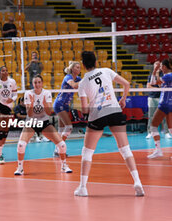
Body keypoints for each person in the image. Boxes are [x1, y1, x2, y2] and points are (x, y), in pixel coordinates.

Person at [74, 51, 144, 197]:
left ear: (83, 65)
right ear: (95, 62)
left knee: (87, 152)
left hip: (97, 115)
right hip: (114, 111)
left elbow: (86, 110)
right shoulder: (106, 70)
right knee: (125, 149)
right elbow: (126, 83)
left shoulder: (82, 83)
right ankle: (137, 181)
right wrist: (123, 99)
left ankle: (82, 187)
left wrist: (81, 107)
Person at [14, 74, 72, 175]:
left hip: (44, 122)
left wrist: (45, 104)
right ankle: (20, 168)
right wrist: (31, 103)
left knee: (62, 145)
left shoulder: (46, 93)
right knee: (21, 145)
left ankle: (64, 165)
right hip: (31, 123)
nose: (37, 84)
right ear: (32, 84)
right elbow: (29, 114)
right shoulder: (28, 93)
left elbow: (49, 113)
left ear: (42, 83)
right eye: (35, 83)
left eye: (39, 82)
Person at [0, 66, 18, 164]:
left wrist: (12, 99)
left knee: (5, 130)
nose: (5, 72)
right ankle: (0, 155)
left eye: (6, 70)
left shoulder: (12, 82)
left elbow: (15, 95)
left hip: (8, 107)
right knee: (0, 127)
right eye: (2, 71)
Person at [53, 61, 81, 156]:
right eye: (77, 67)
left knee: (61, 129)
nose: (79, 69)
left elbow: (82, 86)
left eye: (80, 67)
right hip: (59, 104)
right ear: (72, 69)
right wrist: (86, 80)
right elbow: (74, 85)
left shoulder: (78, 78)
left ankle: (57, 151)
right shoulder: (68, 77)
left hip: (65, 105)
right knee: (69, 127)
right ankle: (60, 148)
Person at [147, 58, 172, 159]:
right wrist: (156, 71)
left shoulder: (168, 76)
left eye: (161, 66)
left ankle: (158, 151)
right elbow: (154, 82)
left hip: (164, 104)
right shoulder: (167, 76)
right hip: (169, 104)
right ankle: (158, 151)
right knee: (170, 128)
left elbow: (153, 82)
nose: (160, 68)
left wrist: (154, 70)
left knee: (153, 125)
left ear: (165, 67)